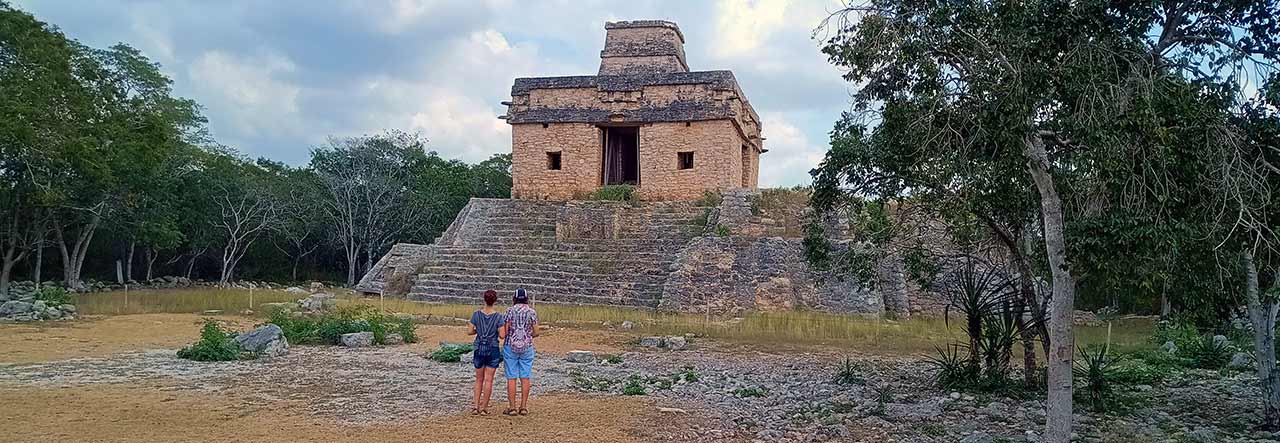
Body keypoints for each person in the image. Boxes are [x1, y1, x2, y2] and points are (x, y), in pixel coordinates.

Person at [499, 287, 538, 416]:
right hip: (527, 347)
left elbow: (505, 331)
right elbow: (536, 332)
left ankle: (512, 407)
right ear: (526, 299)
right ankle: (524, 407)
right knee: (525, 377)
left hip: (510, 345)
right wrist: (528, 335)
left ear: (514, 299)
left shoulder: (509, 311)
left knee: (511, 377)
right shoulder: (532, 312)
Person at [467, 289, 505, 416]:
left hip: (479, 347)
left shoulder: (476, 315)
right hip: (492, 348)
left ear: (484, 299)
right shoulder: (498, 317)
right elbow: (502, 335)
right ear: (495, 301)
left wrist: (478, 331)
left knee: (478, 379)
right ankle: (484, 407)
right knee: (489, 380)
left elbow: (469, 331)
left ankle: (475, 406)